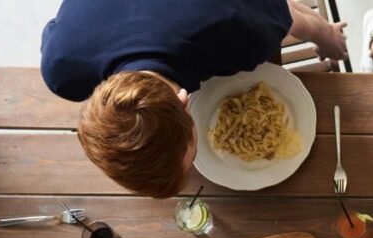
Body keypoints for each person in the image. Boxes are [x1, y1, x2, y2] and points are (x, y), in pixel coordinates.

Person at [40, 0, 348, 198]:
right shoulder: (61, 69)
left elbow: (285, 12)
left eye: (193, 150)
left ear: (186, 103)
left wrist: (325, 35)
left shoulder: (236, 32)